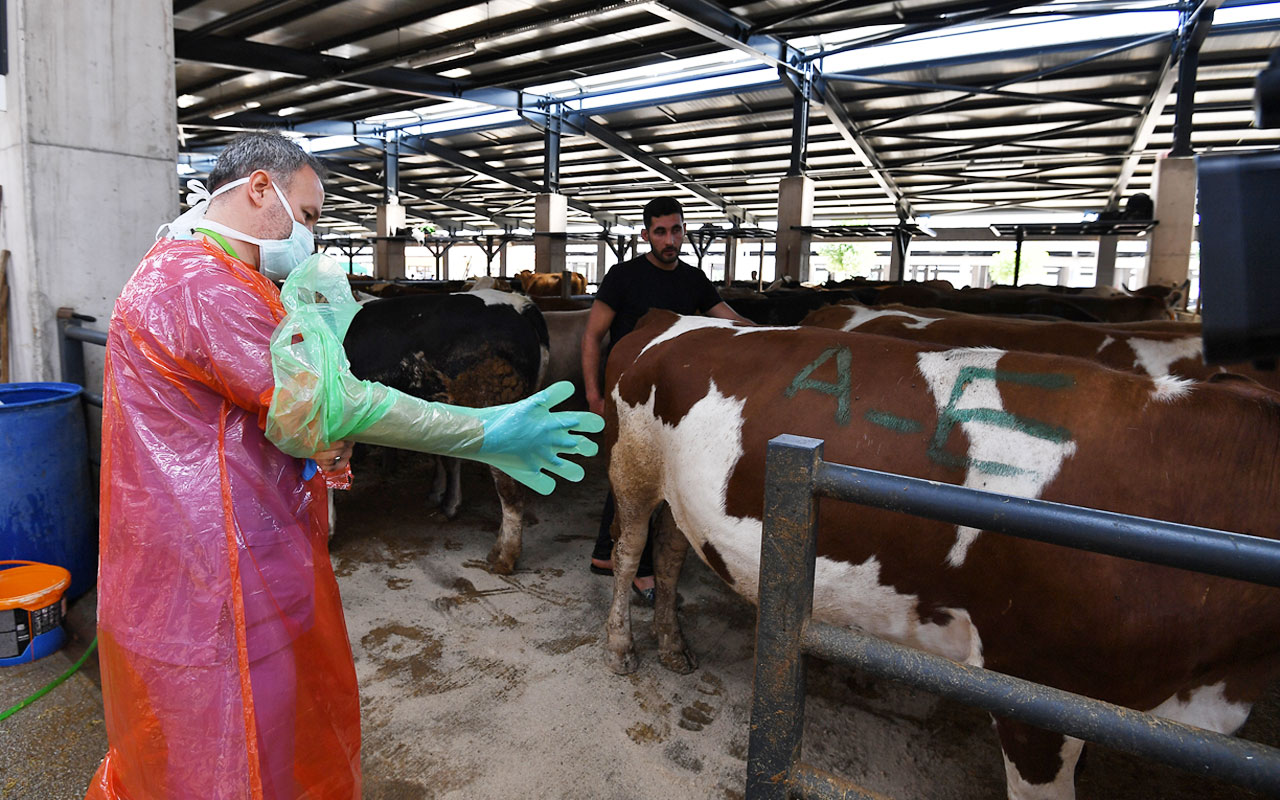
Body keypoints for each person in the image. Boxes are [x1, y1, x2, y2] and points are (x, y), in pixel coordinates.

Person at [87, 131, 597, 800]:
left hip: (220, 553)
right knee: (230, 747)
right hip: (221, 576)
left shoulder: (200, 272)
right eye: (308, 216)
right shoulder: (200, 283)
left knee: (232, 741)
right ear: (260, 189)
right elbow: (330, 404)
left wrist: (317, 443)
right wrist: (481, 430)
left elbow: (271, 417)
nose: (311, 237)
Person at [580, 196, 753, 601]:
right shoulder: (622, 276)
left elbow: (728, 317)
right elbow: (592, 336)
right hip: (629, 398)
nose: (669, 239)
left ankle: (606, 554)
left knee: (632, 476)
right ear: (646, 235)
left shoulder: (693, 279)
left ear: (684, 231)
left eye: (676, 230)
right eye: (660, 232)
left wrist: (773, 335)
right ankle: (639, 569)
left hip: (671, 398)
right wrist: (593, 394)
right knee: (642, 480)